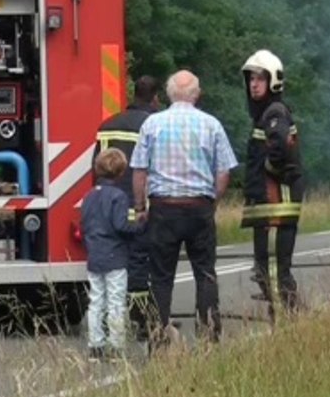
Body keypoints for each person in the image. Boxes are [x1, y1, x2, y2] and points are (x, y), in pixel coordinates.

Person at [129, 70, 239, 348]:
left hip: (164, 208)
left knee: (161, 277)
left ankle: (158, 340)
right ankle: (209, 337)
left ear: (167, 94)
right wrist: (212, 201)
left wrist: (141, 206)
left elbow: (139, 170)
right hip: (199, 207)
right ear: (197, 94)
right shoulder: (211, 124)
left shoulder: (152, 124)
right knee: (204, 273)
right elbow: (224, 171)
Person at [239, 50, 305, 323]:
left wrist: (268, 169)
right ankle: (283, 314)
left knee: (276, 269)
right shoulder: (265, 113)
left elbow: (279, 148)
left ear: (273, 81)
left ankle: (286, 320)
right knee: (265, 266)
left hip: (277, 203)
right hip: (267, 204)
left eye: (260, 79)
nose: (254, 84)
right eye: (251, 79)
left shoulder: (274, 112)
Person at [93, 75, 161, 340]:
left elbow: (95, 167)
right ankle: (142, 321)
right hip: (138, 206)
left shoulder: (107, 124)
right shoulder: (153, 124)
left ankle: (110, 321)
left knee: (111, 267)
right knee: (139, 263)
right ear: (155, 99)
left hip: (107, 209)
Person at [78, 148, 146, 361]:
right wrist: (140, 225)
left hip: (94, 255)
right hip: (115, 256)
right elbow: (121, 226)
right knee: (116, 301)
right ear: (121, 172)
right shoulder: (118, 197)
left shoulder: (89, 196)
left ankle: (95, 347)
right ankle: (115, 346)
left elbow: (84, 224)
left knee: (96, 300)